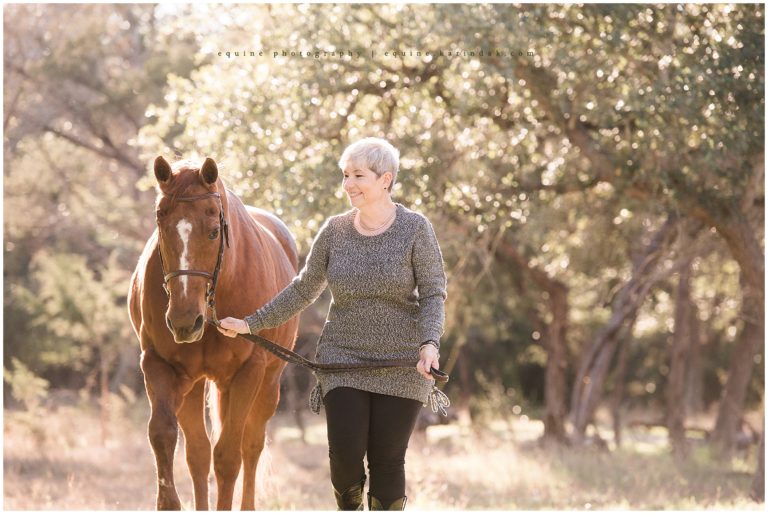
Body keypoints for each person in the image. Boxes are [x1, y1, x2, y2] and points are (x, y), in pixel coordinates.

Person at [217, 137, 447, 511]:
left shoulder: (415, 229)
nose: (348, 184)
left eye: (359, 175)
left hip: (401, 364)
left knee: (388, 464)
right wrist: (251, 324)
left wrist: (429, 344)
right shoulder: (335, 231)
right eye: (345, 175)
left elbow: (434, 292)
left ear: (385, 179)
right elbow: (303, 289)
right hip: (342, 362)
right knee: (344, 460)